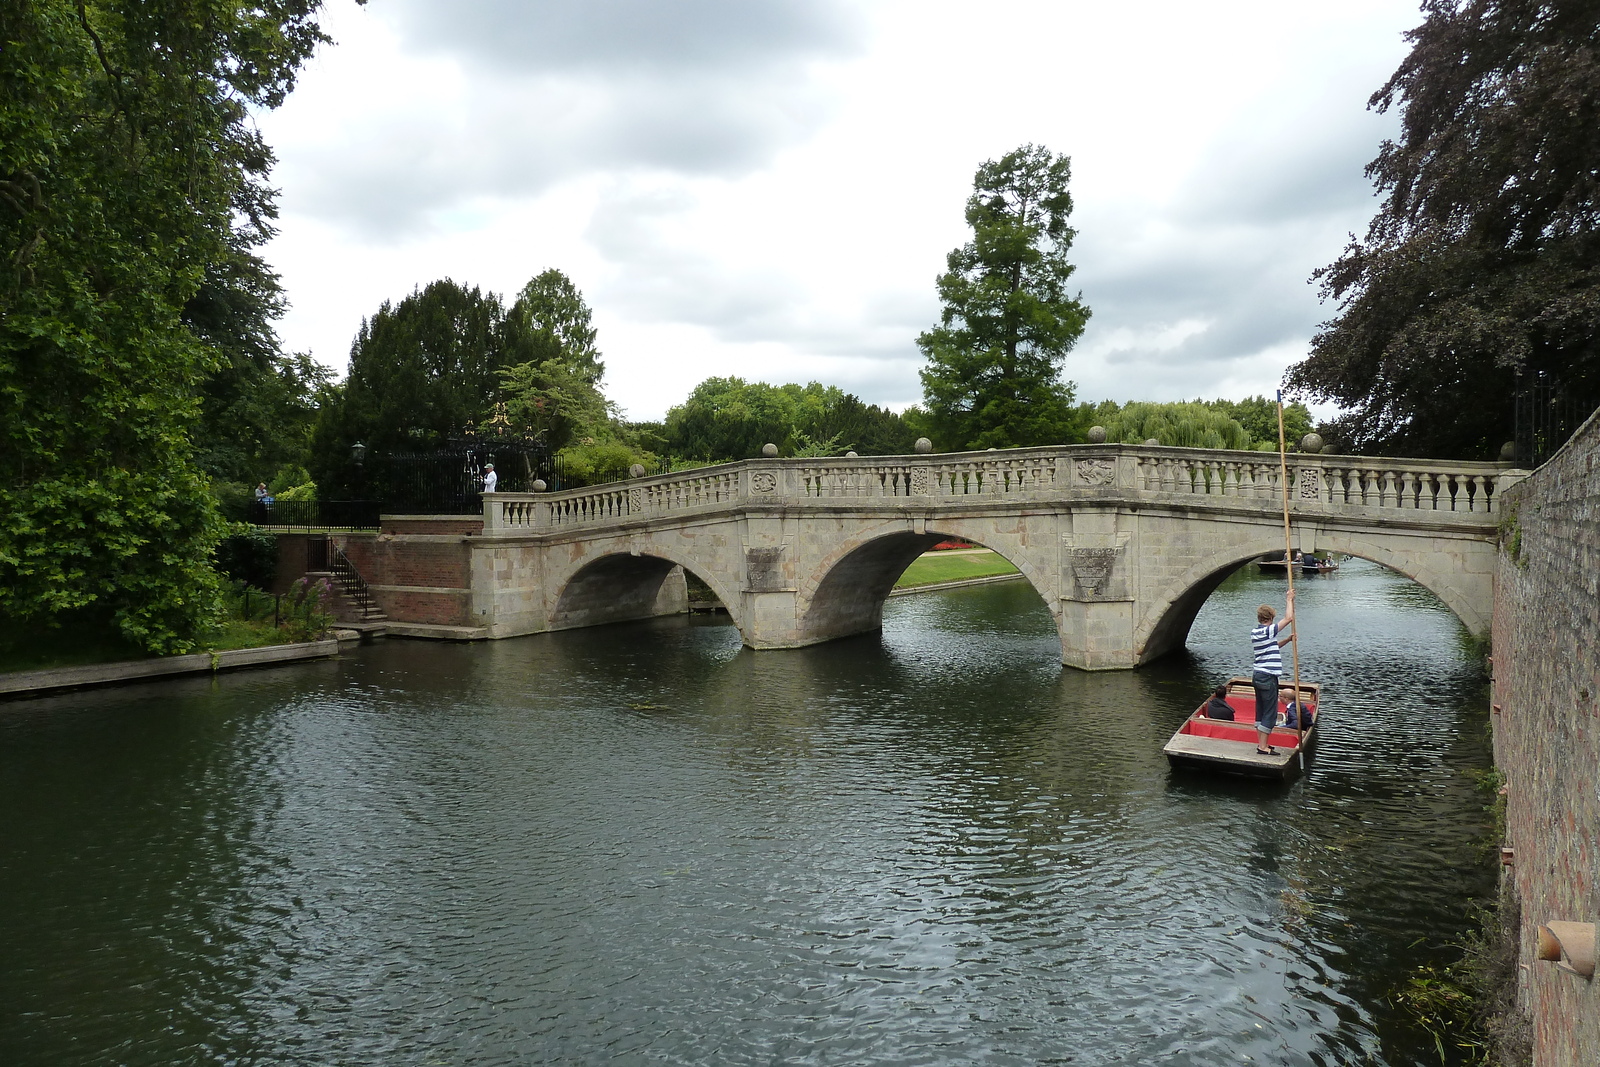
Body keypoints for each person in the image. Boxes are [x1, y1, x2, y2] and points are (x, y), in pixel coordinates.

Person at [1250, 590, 1295, 755]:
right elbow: (1289, 618)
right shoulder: (1267, 631)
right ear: (1270, 618)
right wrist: (1289, 599)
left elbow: (1272, 646)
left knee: (1261, 710)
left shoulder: (1256, 633)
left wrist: (1288, 640)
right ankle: (1263, 747)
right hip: (1268, 677)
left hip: (1258, 675)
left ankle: (1261, 744)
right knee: (1270, 711)